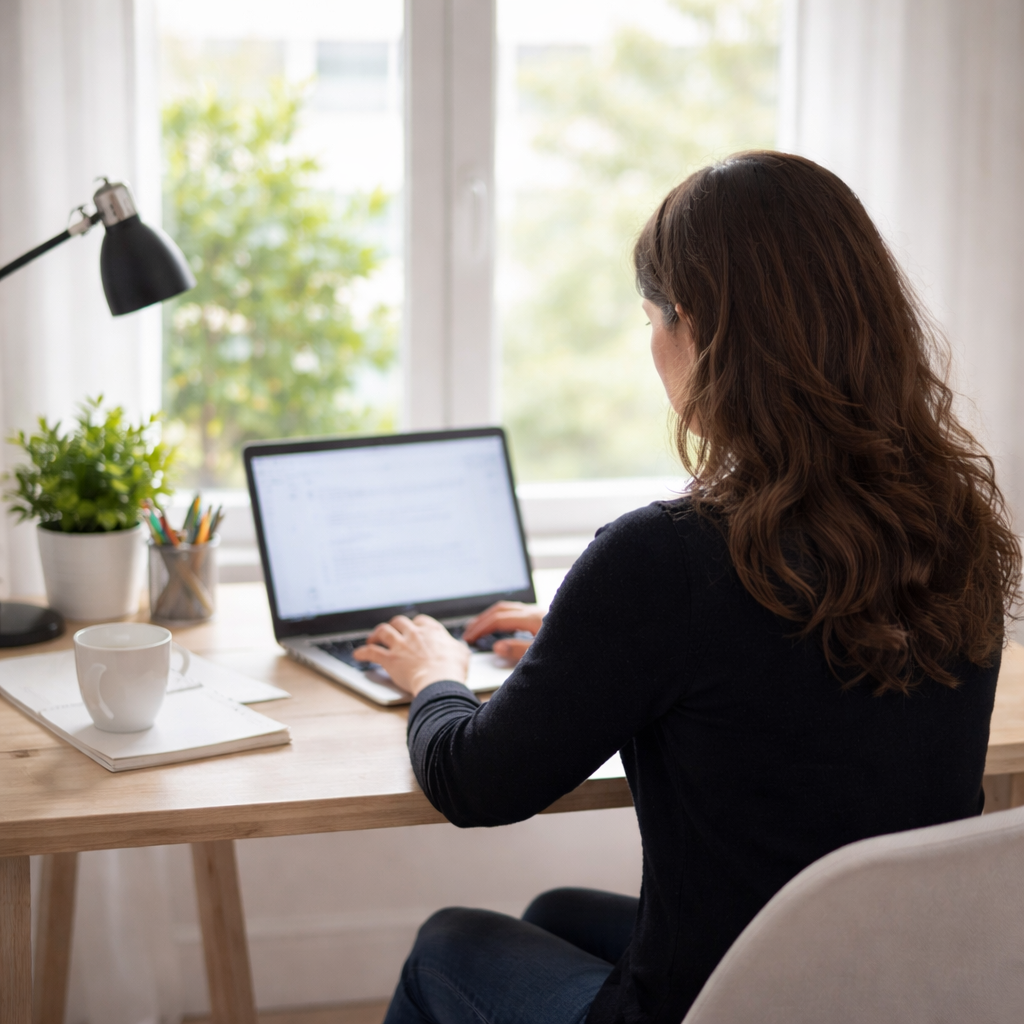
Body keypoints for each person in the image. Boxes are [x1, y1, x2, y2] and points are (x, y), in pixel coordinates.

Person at [354, 152, 1021, 1024]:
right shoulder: (955, 526)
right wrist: (584, 638)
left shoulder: (665, 560)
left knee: (449, 944)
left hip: (720, 1006)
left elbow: (475, 783)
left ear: (696, 327)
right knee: (554, 916)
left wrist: (434, 673)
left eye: (651, 319)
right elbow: (778, 670)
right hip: (887, 989)